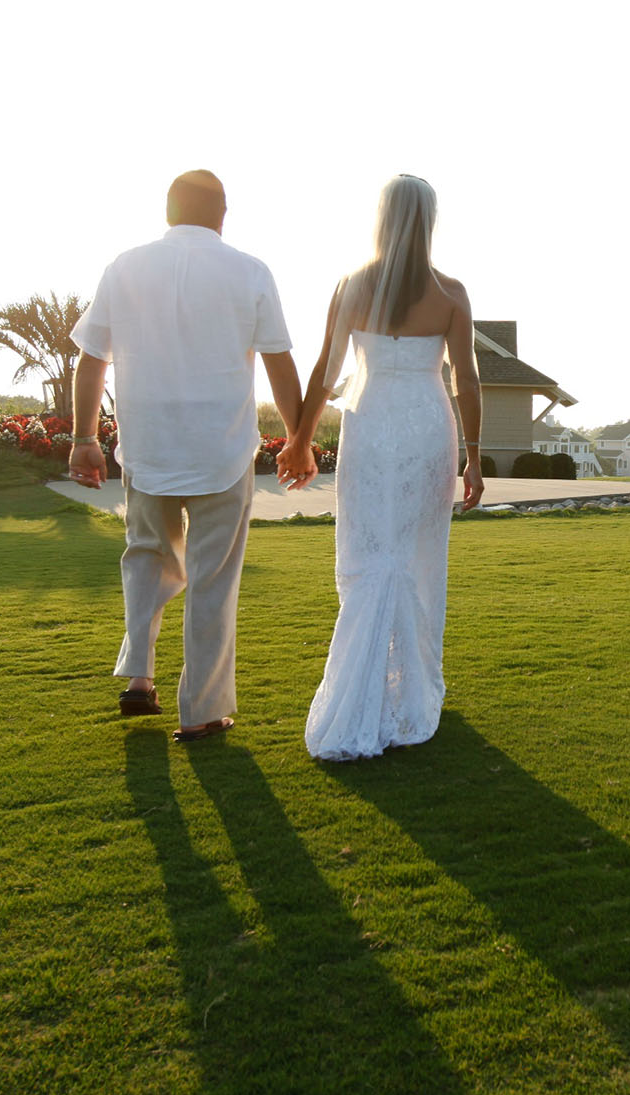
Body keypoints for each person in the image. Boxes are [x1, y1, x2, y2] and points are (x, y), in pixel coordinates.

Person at [67, 170, 301, 743]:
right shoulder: (250, 271)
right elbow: (278, 363)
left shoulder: (124, 266)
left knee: (146, 558)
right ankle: (198, 710)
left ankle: (139, 679)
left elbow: (92, 359)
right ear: (223, 213)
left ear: (169, 211)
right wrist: (297, 438)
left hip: (148, 446)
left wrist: (84, 438)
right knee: (212, 580)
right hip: (221, 448)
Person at [280, 175, 483, 761]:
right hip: (425, 426)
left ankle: (371, 689)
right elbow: (465, 380)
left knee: (372, 555)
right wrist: (473, 456)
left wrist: (300, 439)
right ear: (429, 221)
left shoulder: (351, 286)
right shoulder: (451, 292)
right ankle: (408, 692)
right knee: (415, 557)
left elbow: (325, 371)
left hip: (368, 424)